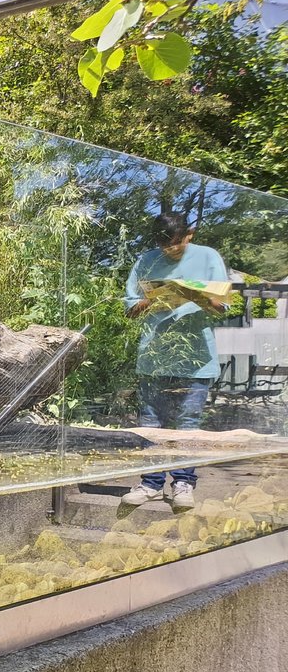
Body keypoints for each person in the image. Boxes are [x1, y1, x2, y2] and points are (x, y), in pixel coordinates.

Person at [121, 211, 229, 509]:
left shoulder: (208, 257)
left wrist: (196, 296)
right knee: (151, 422)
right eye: (164, 243)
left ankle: (183, 483)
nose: (170, 248)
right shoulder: (146, 261)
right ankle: (150, 483)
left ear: (189, 235)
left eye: (176, 243)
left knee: (188, 423)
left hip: (195, 358)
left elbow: (222, 307)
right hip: (154, 357)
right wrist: (153, 299)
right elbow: (130, 310)